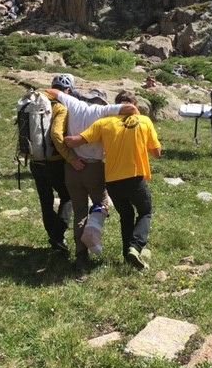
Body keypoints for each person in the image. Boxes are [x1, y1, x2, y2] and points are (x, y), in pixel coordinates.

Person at [46, 84, 139, 271]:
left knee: (79, 211)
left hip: (72, 166)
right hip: (94, 167)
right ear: (102, 100)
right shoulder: (104, 111)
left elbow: (52, 91)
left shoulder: (74, 104)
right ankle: (92, 230)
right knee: (102, 203)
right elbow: (130, 108)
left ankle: (81, 256)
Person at [65, 90, 161, 270]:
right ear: (135, 106)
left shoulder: (104, 123)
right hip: (134, 178)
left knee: (126, 215)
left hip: (112, 181)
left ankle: (128, 254)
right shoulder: (145, 121)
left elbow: (75, 141)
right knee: (146, 210)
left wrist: (61, 137)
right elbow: (157, 153)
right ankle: (135, 247)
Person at [29, 74, 79, 253]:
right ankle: (57, 236)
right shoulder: (59, 107)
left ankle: (54, 238)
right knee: (68, 196)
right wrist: (71, 158)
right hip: (55, 163)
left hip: (35, 161)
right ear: (67, 91)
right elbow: (56, 136)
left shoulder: (34, 103)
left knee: (46, 200)